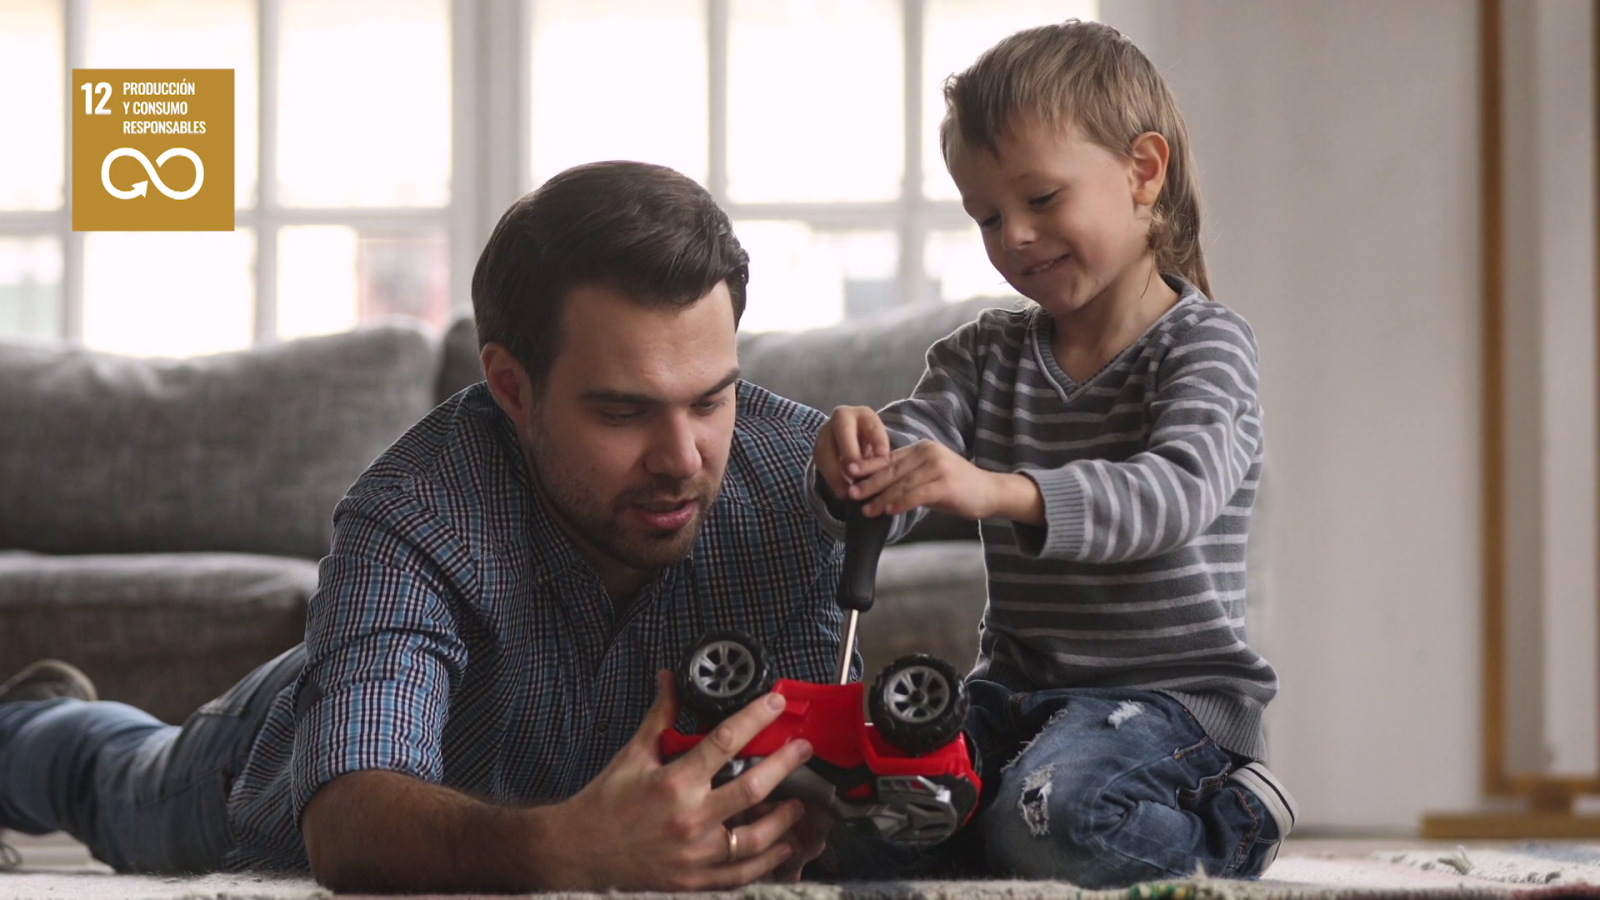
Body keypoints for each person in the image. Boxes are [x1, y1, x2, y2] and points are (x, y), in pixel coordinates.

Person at [0, 161, 852, 892]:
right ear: (513, 388)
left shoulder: (799, 485)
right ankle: (33, 721)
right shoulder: (414, 511)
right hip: (267, 769)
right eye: (623, 411)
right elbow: (346, 823)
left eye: (710, 399)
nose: (683, 458)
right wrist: (567, 850)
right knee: (105, 777)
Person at [809, 20, 1296, 888]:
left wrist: (1006, 492)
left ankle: (1234, 823)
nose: (1015, 238)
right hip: (1014, 693)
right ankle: (987, 834)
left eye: (1041, 200)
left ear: (1144, 172)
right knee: (861, 826)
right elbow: (918, 450)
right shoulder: (981, 355)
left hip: (1168, 701)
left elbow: (1174, 495)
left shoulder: (1206, 348)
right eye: (989, 216)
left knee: (1054, 828)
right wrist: (861, 461)